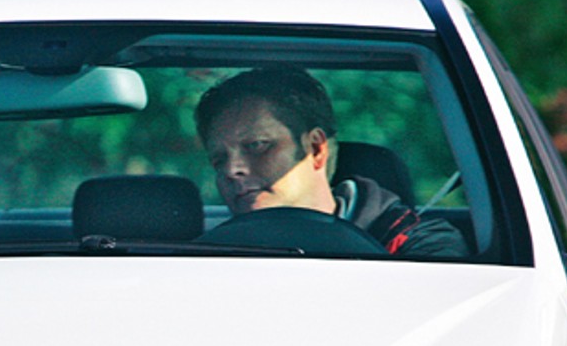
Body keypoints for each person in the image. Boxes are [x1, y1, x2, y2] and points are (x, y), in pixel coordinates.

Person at [193, 66, 467, 258]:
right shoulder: (195, 261)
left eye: (257, 146)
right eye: (219, 159)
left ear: (315, 148)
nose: (232, 170)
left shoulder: (416, 245)